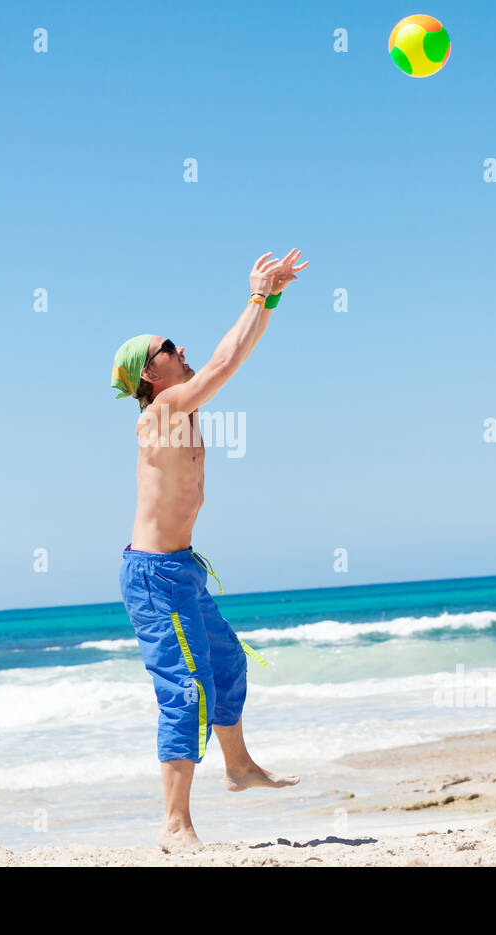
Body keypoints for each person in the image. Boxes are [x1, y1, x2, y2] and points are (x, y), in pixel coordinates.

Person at [110, 249, 309, 849]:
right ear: (151, 372)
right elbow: (226, 364)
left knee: (227, 663)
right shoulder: (164, 411)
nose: (180, 347)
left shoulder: (181, 408)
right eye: (168, 345)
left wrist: (269, 299)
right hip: (153, 576)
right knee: (186, 690)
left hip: (182, 570)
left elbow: (226, 361)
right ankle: (174, 826)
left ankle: (239, 767)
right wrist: (257, 296)